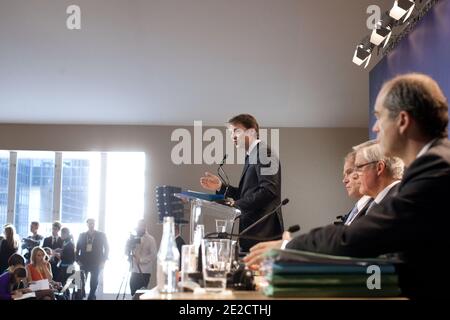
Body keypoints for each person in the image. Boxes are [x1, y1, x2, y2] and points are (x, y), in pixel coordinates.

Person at [249, 73, 450, 298]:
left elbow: (360, 238)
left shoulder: (436, 167)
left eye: (379, 117)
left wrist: (287, 247)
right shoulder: (434, 162)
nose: (375, 128)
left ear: (402, 121)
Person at [200, 114, 284, 252]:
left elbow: (269, 191)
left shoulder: (265, 153)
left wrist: (236, 204)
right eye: (230, 132)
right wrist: (221, 186)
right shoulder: (252, 156)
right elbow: (246, 194)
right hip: (252, 233)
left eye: (236, 131)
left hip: (263, 233)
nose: (232, 136)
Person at [335, 150, 372, 225]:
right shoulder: (356, 209)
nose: (344, 180)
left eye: (349, 172)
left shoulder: (376, 207)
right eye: (344, 175)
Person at [76, 218, 109, 300]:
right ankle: (81, 295)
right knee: (81, 281)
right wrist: (77, 260)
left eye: (93, 223)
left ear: (95, 224)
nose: (91, 225)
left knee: (94, 282)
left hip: (96, 262)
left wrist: (103, 261)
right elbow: (77, 249)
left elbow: (107, 248)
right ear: (87, 224)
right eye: (90, 223)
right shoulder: (82, 235)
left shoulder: (101, 235)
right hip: (84, 262)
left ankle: (91, 297)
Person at [127, 219, 157, 296]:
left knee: (141, 293)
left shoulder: (150, 239)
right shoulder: (133, 238)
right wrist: (128, 245)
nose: (140, 227)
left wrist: (141, 260)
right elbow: (127, 251)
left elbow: (153, 255)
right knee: (133, 291)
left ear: (145, 226)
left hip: (144, 271)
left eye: (142, 225)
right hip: (134, 270)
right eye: (139, 225)